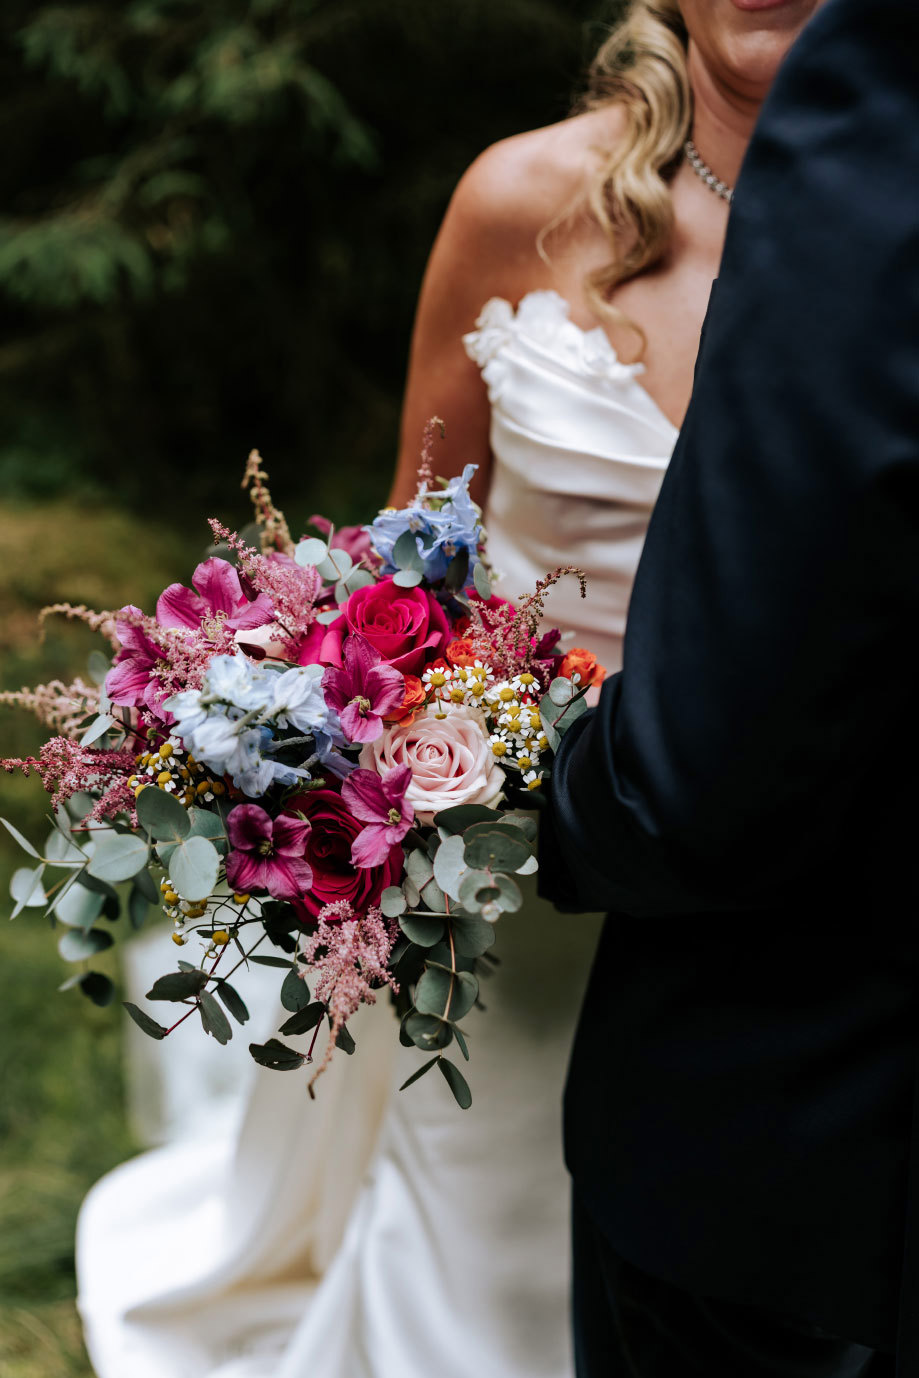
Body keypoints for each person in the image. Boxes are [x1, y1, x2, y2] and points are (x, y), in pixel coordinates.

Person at [76, 3, 825, 1375]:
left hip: (785, 906)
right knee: (479, 1260)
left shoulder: (880, 243)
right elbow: (404, 562)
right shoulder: (521, 201)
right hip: (506, 882)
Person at [542, 0, 919, 1375]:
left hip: (795, 1128)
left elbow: (700, 773)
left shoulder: (875, 93)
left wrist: (548, 794)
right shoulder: (525, 195)